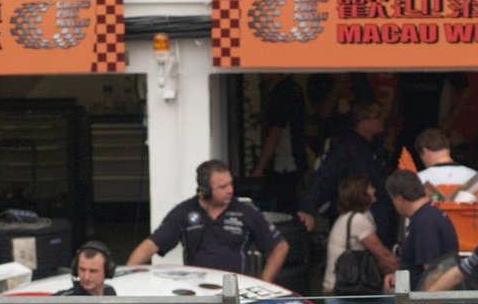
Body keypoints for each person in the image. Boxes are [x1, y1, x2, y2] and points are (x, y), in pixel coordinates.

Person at [127, 159, 289, 283]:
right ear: (204, 191)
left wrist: (264, 283)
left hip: (237, 291)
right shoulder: (184, 211)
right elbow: (151, 245)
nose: (230, 190)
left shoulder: (246, 211)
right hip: (197, 291)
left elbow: (280, 247)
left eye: (230, 184)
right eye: (222, 187)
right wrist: (125, 277)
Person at [298, 99, 396, 247]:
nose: (382, 119)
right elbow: (324, 177)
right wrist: (307, 208)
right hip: (360, 219)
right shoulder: (346, 148)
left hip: (382, 216)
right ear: (363, 121)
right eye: (377, 116)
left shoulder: (377, 145)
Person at [322, 174, 399, 304]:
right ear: (361, 193)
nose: (374, 190)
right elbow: (383, 255)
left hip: (339, 294)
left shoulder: (349, 218)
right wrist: (407, 268)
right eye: (370, 187)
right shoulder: (358, 220)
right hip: (341, 298)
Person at [17, 242, 123, 304]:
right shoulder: (66, 299)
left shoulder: (109, 291)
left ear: (107, 270)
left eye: (93, 271)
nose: (86, 276)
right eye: (82, 270)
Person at [385, 169, 459, 292]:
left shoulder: (424, 222)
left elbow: (432, 273)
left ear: (399, 199)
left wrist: (424, 303)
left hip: (425, 299)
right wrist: (400, 277)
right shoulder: (431, 215)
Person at [250, 74, 308, 213]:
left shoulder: (281, 92)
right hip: (293, 160)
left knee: (284, 208)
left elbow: (276, 131)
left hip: (285, 164)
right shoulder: (293, 89)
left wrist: (259, 168)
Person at [414, 127, 478, 201]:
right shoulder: (474, 176)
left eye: (420, 155)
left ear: (425, 151)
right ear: (448, 149)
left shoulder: (418, 180)